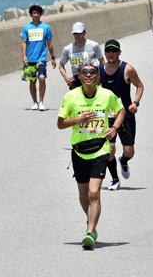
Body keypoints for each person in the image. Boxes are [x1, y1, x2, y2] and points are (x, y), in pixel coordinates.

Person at [57, 60, 125, 249]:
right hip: (79, 151)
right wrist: (78, 119)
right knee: (83, 194)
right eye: (84, 72)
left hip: (100, 149)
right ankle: (91, 222)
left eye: (92, 72)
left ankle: (89, 231)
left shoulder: (106, 95)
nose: (88, 75)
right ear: (79, 76)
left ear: (97, 76)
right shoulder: (71, 97)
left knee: (94, 192)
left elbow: (121, 111)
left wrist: (114, 128)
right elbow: (60, 124)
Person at [99, 40, 144, 191]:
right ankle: (114, 179)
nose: (110, 53)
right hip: (108, 117)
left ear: (119, 52)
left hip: (126, 116)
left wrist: (135, 103)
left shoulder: (127, 69)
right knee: (110, 148)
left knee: (129, 152)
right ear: (105, 53)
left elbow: (140, 86)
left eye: (114, 51)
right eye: (108, 51)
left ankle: (123, 161)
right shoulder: (99, 70)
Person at [20, 4, 56, 111]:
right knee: (32, 81)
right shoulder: (26, 27)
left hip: (42, 58)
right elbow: (24, 42)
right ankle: (34, 102)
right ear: (31, 15)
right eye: (34, 13)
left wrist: (53, 57)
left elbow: (49, 43)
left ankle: (41, 102)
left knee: (42, 79)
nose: (36, 15)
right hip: (30, 59)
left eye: (38, 13)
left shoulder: (46, 27)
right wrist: (24, 56)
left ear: (40, 14)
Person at [59, 22, 104, 89]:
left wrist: (98, 77)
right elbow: (61, 66)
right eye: (75, 34)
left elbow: (102, 61)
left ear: (84, 33)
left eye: (79, 33)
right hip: (76, 80)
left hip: (90, 78)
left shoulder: (94, 45)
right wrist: (66, 79)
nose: (77, 36)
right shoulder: (67, 49)